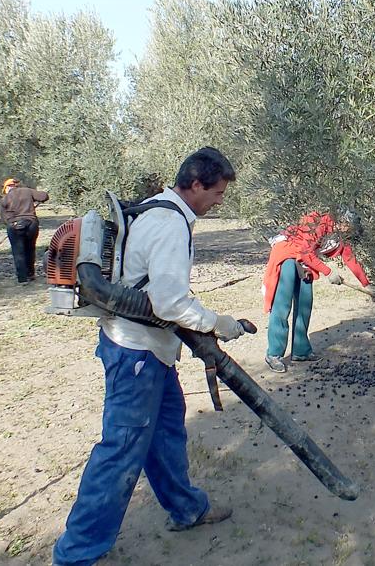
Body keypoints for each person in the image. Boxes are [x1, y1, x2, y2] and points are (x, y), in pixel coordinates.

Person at [53, 146, 249, 566]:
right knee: (120, 450)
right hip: (135, 355)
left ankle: (186, 509)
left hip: (147, 351)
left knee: (165, 435)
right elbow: (170, 303)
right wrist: (219, 322)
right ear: (196, 184)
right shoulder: (170, 224)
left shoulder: (157, 210)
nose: (218, 202)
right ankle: (76, 555)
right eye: (217, 193)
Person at [261, 209, 371, 373]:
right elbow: (306, 252)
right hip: (287, 255)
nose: (351, 234)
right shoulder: (319, 221)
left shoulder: (340, 235)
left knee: (305, 303)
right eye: (351, 229)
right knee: (282, 306)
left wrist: (366, 284)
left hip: (305, 262)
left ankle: (301, 351)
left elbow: (349, 258)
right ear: (344, 223)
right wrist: (329, 272)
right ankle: (274, 354)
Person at [0, 177, 50, 284]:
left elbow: (4, 218)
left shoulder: (5, 199)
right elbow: (44, 196)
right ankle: (31, 274)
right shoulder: (27, 191)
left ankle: (22, 279)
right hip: (31, 224)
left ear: (8, 187)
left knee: (18, 252)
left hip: (15, 226)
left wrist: (12, 224)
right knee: (30, 249)